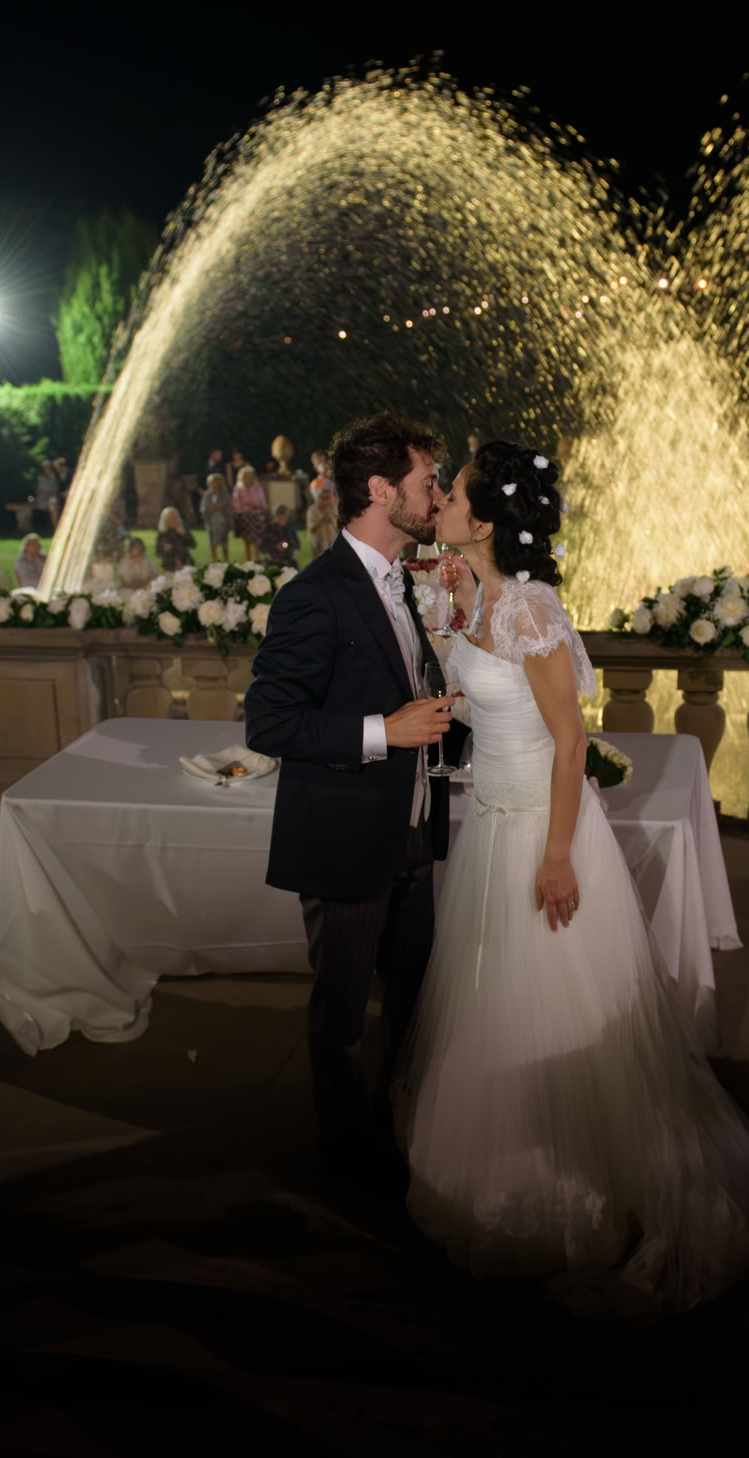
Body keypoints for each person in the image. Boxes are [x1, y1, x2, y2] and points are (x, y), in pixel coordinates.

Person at [385, 435, 749, 1311]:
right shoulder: (482, 599)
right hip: (491, 826)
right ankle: (500, 1165)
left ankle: (577, 1185)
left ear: (485, 522)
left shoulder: (532, 610)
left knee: (550, 999)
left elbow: (571, 744)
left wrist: (558, 858)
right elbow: (483, 688)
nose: (442, 503)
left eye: (456, 495)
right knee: (494, 1000)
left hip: (541, 836)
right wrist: (451, 619)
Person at [243, 413, 466, 1194]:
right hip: (342, 839)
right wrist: (385, 731)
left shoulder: (401, 582)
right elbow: (269, 723)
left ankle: (403, 1133)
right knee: (340, 1021)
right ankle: (347, 1170)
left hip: (412, 835)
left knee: (412, 1008)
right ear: (380, 490)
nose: (438, 496)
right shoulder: (316, 594)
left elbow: (408, 691)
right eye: (428, 482)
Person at [307, 450, 339, 554]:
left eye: (323, 462)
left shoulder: (332, 481)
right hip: (321, 517)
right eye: (319, 463)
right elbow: (320, 497)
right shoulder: (316, 482)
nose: (323, 466)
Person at [201, 472, 234, 562]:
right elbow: (204, 507)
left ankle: (226, 560)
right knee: (213, 542)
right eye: (213, 482)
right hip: (212, 522)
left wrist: (221, 507)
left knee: (224, 542)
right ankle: (214, 560)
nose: (215, 484)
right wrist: (211, 507)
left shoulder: (224, 493)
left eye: (217, 482)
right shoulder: (208, 494)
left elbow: (228, 504)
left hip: (223, 521)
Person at [155, 506, 195, 573]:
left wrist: (184, 534)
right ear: (165, 520)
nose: (172, 520)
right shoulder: (162, 533)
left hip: (185, 562)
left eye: (174, 517)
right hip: (169, 565)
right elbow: (158, 552)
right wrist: (164, 549)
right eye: (169, 518)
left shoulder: (182, 529)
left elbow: (193, 545)